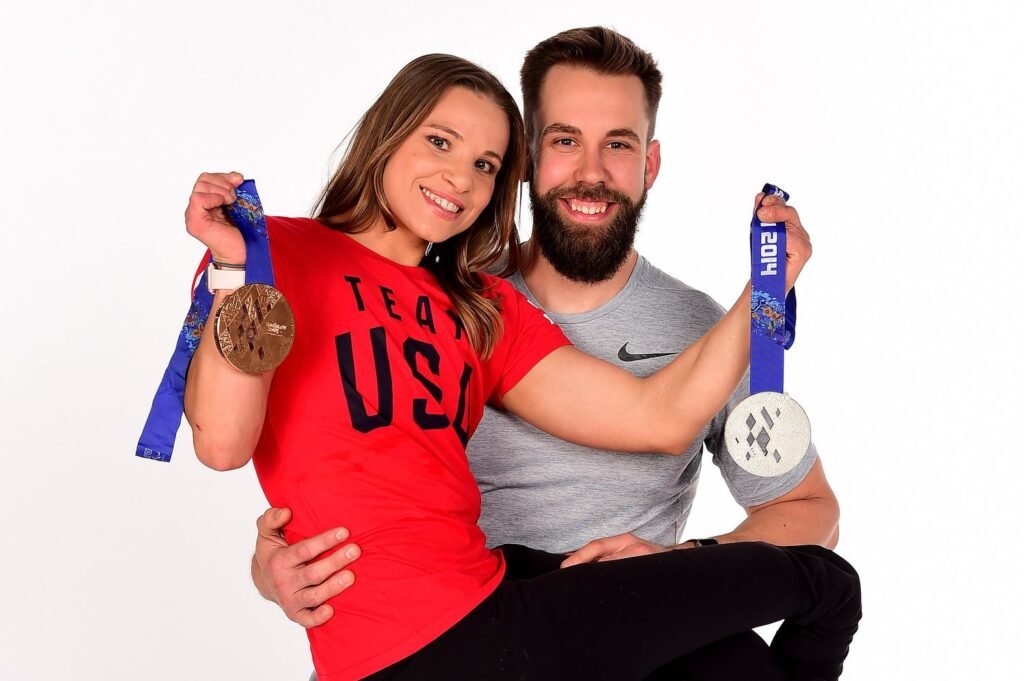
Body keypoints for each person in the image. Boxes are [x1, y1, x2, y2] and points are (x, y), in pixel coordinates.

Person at [183, 54, 858, 680]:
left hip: (517, 612)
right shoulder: (274, 256)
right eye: (439, 142)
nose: (459, 178)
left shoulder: (478, 307)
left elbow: (661, 417)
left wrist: (769, 286)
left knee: (735, 655)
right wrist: (237, 268)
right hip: (454, 635)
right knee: (830, 590)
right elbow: (222, 442)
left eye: (484, 164)